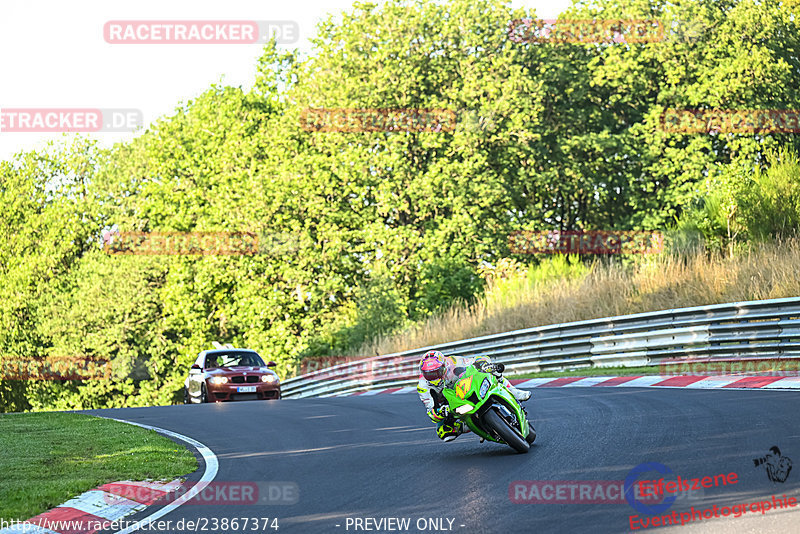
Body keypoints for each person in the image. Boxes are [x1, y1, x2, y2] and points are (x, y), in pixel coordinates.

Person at [416, 350, 531, 442]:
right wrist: (441, 412)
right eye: (429, 374)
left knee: (492, 371)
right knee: (445, 433)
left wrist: (484, 364)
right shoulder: (423, 387)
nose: (434, 377)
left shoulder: (453, 362)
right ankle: (473, 426)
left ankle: (512, 390)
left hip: (466, 387)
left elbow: (478, 359)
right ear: (423, 373)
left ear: (444, 366)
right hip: (449, 404)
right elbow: (431, 412)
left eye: (437, 372)